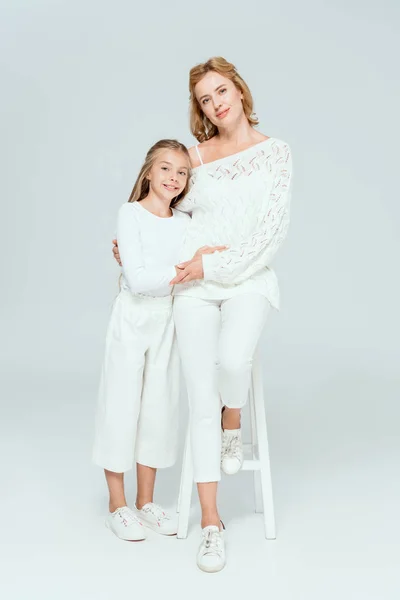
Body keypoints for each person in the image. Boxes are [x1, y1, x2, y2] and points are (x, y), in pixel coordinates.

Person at [112, 57, 293, 572]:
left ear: (238, 88)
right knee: (198, 393)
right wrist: (133, 243)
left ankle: (231, 421)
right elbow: (159, 203)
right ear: (201, 109)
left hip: (247, 280)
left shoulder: (275, 154)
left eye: (221, 91)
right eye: (205, 99)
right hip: (193, 286)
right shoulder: (192, 158)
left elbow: (269, 236)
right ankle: (211, 524)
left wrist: (209, 264)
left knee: (233, 362)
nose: (216, 103)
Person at [93, 139, 215, 542]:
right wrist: (181, 271)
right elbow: (138, 279)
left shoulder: (184, 222)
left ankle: (146, 501)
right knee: (122, 404)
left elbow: (160, 267)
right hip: (132, 316)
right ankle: (117, 504)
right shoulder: (130, 214)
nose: (173, 178)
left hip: (167, 319)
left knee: (159, 408)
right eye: (165, 169)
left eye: (182, 172)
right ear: (148, 171)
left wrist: (169, 268)